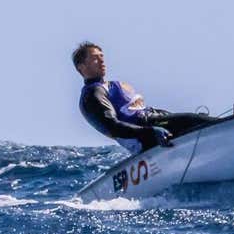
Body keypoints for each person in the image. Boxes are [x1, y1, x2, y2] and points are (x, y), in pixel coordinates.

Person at [73, 42, 216, 153]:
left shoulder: (112, 85)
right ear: (81, 67)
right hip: (147, 137)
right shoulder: (92, 94)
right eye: (95, 58)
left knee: (195, 120)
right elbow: (113, 126)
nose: (102, 61)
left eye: (102, 57)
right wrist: (151, 131)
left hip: (155, 124)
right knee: (190, 120)